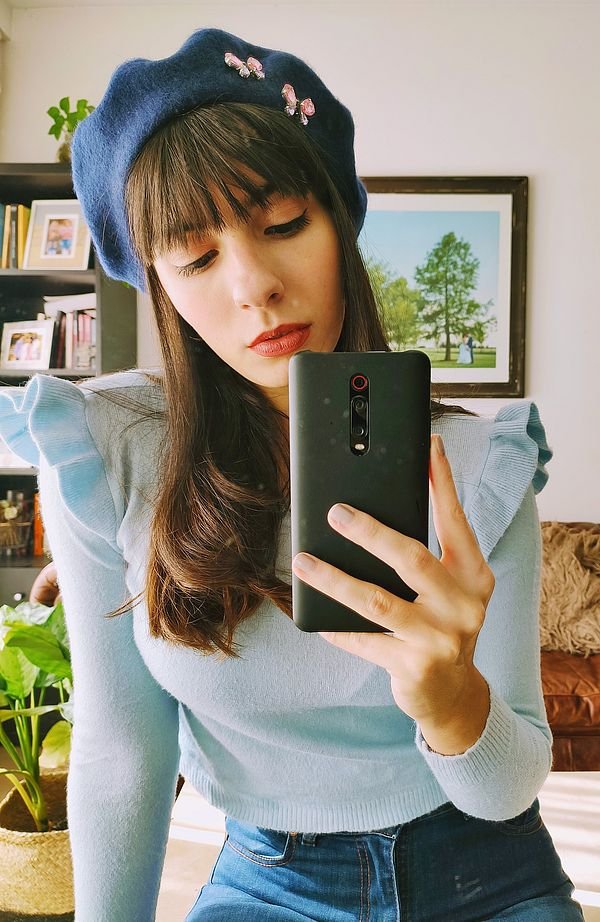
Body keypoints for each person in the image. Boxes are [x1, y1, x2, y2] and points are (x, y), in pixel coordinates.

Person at [0, 28, 583, 922]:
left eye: (282, 225)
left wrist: (451, 700)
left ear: (338, 225)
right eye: (197, 258)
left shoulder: (478, 465)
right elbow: (123, 751)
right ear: (159, 285)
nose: (253, 285)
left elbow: (505, 790)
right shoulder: (106, 452)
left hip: (486, 875)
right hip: (269, 878)